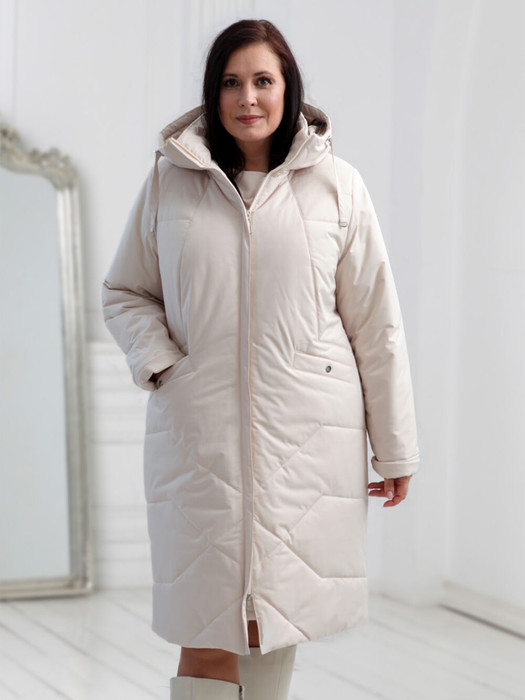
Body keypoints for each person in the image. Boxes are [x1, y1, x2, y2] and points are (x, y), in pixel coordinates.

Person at [101, 18, 419, 700]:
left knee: (272, 623)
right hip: (200, 440)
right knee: (206, 627)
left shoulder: (338, 187)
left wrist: (395, 448)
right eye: (231, 82)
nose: (247, 97)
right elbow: (125, 292)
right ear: (213, 93)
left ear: (287, 89)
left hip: (308, 440)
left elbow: (376, 325)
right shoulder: (168, 183)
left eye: (262, 81)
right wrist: (166, 367)